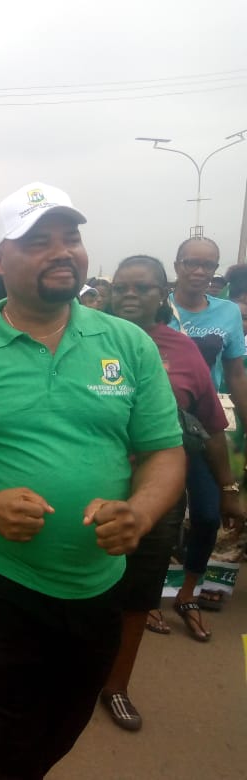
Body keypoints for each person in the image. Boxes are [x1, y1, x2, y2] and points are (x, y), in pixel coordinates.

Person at [0, 182, 185, 779]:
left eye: (70, 238)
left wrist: (143, 513)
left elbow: (163, 453)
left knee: (61, 726)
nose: (62, 252)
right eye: (38, 241)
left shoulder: (126, 345)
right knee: (3, 747)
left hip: (98, 583)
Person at [101, 255, 241, 729]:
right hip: (88, 494)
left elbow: (213, 428)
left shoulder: (182, 351)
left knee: (138, 596)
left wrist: (227, 487)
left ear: (162, 293)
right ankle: (73, 676)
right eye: (121, 287)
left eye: (142, 287)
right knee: (77, 592)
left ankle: (116, 685)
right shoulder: (80, 342)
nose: (130, 296)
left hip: (156, 499)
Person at [168, 236, 247, 613]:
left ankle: (189, 590)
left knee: (206, 512)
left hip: (208, 428)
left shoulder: (227, 313)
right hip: (158, 427)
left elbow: (235, 374)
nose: (199, 271)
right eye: (191, 263)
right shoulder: (156, 308)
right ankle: (150, 592)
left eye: (208, 265)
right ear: (177, 264)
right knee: (162, 513)